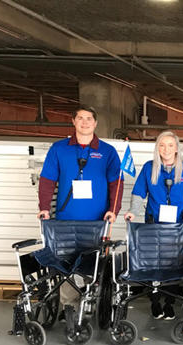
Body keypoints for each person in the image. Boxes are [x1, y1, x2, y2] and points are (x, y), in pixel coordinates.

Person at [37, 105, 123, 315]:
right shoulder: (59, 149)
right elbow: (47, 181)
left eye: (89, 119)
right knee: (65, 263)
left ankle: (89, 298)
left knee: (91, 263)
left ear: (95, 123)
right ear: (73, 121)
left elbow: (116, 184)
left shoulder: (107, 152)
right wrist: (44, 208)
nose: (85, 122)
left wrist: (113, 210)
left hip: (97, 221)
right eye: (80, 118)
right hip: (65, 219)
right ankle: (69, 305)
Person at [125, 130, 183, 320]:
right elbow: (138, 194)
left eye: (170, 145)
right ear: (157, 148)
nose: (165, 149)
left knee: (174, 263)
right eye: (161, 145)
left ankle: (169, 302)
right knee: (154, 264)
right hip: (154, 225)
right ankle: (155, 301)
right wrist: (133, 211)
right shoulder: (149, 168)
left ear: (176, 148)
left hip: (178, 226)